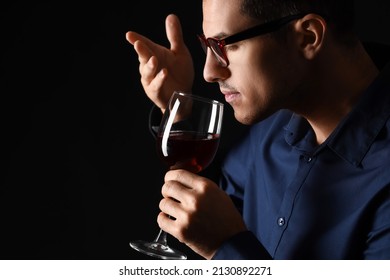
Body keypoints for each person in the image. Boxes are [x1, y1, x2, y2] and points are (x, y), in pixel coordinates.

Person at [126, 0, 390, 259]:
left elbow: (220, 230)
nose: (208, 72)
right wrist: (179, 111)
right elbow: (214, 203)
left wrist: (227, 248)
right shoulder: (273, 126)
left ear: (308, 36)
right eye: (206, 45)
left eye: (223, 45)